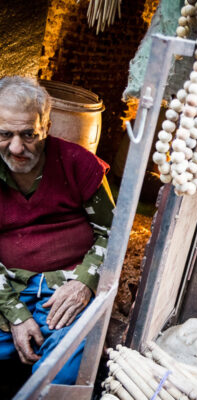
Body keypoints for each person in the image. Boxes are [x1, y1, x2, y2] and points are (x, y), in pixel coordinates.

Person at [0, 76, 114, 385]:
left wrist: (85, 284)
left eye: (28, 134)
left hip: (64, 288)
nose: (16, 147)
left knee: (61, 374)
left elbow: (111, 233)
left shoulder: (78, 164)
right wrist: (15, 314)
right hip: (6, 286)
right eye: (4, 134)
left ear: (46, 128)